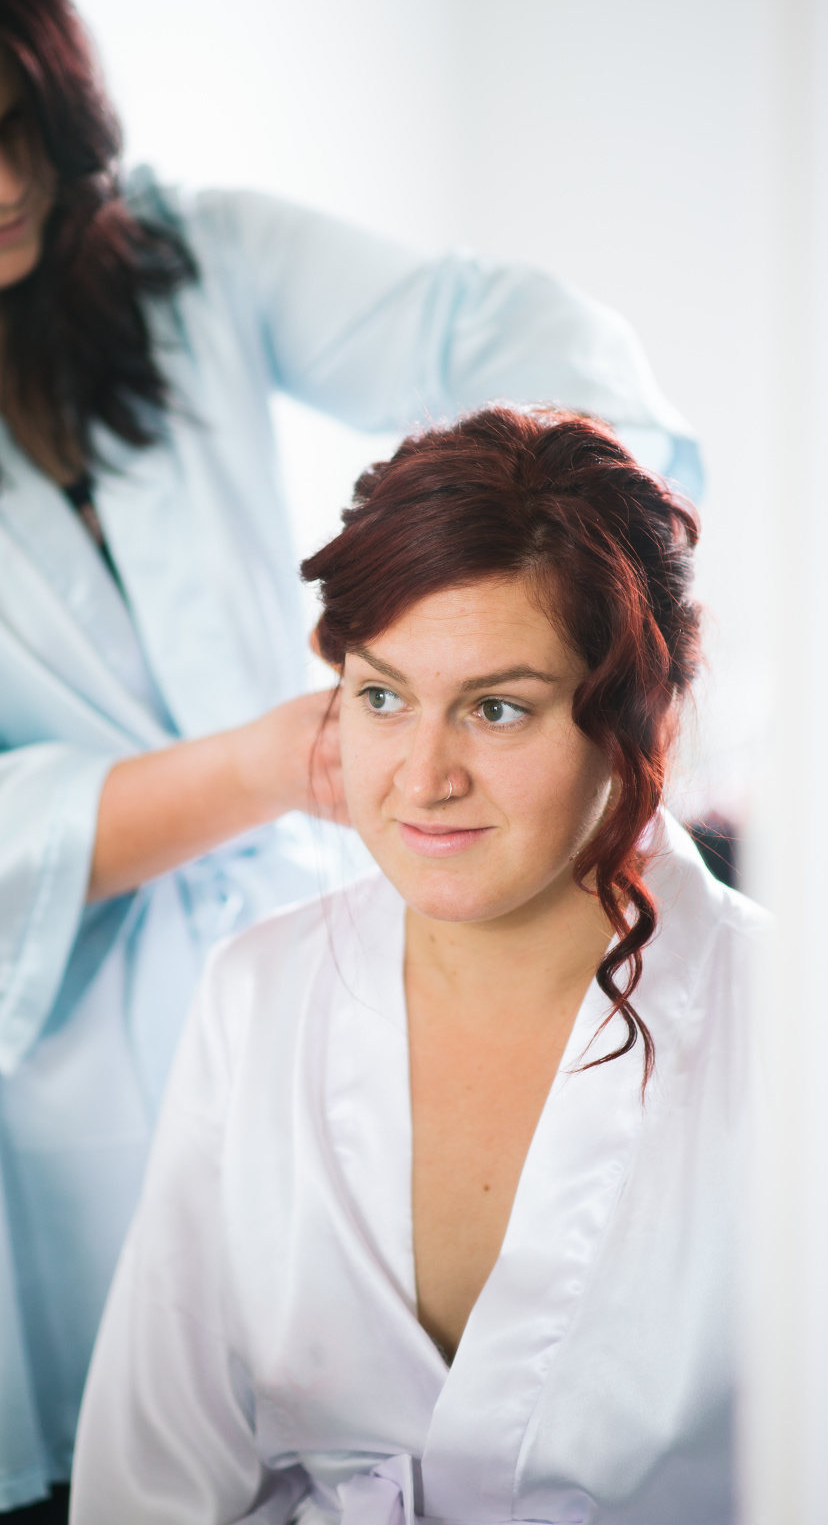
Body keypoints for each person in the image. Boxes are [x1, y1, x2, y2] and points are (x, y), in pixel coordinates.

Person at [0, 0, 697, 1518]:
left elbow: (518, 336)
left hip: (244, 930)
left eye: (24, 121)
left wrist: (528, 554)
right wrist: (284, 760)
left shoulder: (186, 262)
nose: (3, 182)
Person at [70, 407, 763, 1525]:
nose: (423, 778)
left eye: (498, 709)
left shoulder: (785, 1027)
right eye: (383, 697)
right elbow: (153, 1477)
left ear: (642, 714)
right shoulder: (257, 992)